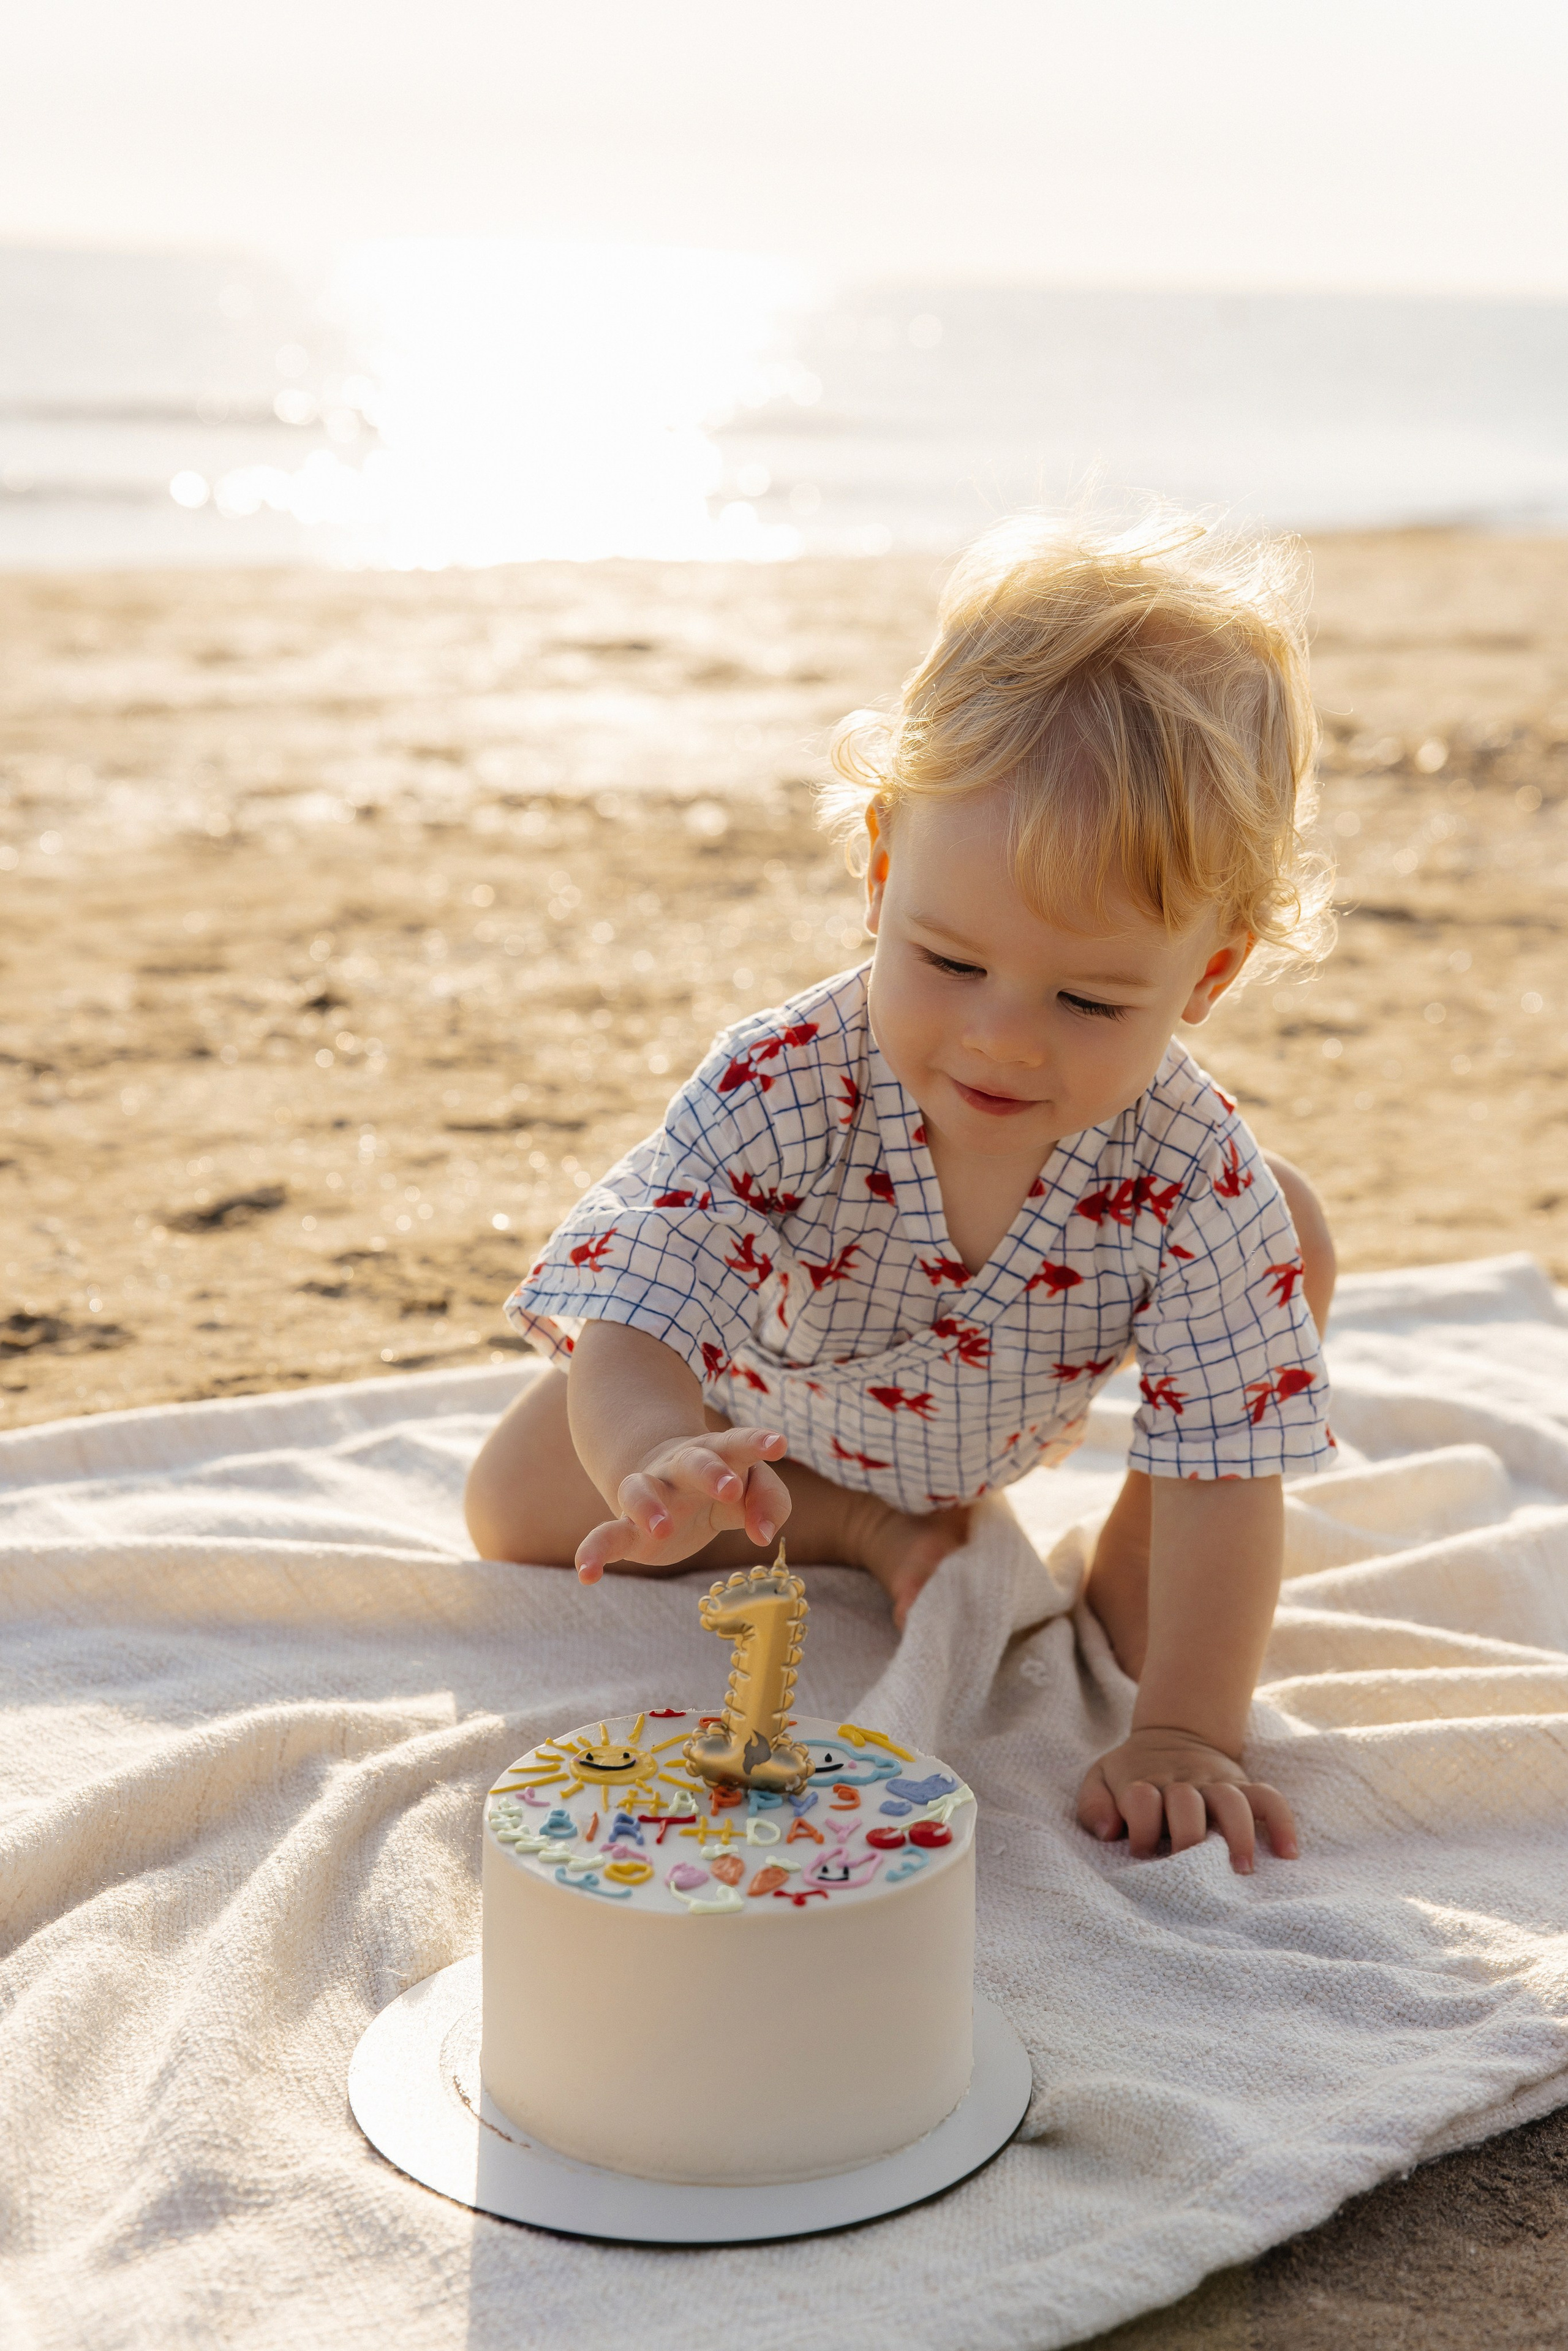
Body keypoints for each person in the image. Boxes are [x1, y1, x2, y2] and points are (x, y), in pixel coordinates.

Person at [466, 510, 1338, 1873]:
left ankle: (1122, 1536)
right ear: (881, 873)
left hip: (999, 1412)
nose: (1001, 1035)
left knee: (1284, 1232)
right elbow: (642, 1294)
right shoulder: (787, 1079)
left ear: (1206, 978)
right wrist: (653, 1451)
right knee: (515, 1506)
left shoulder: (1192, 1174)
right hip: (757, 1409)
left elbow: (1234, 1472)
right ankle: (865, 1523)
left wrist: (1186, 1728)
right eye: (946, 961)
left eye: (1088, 997)